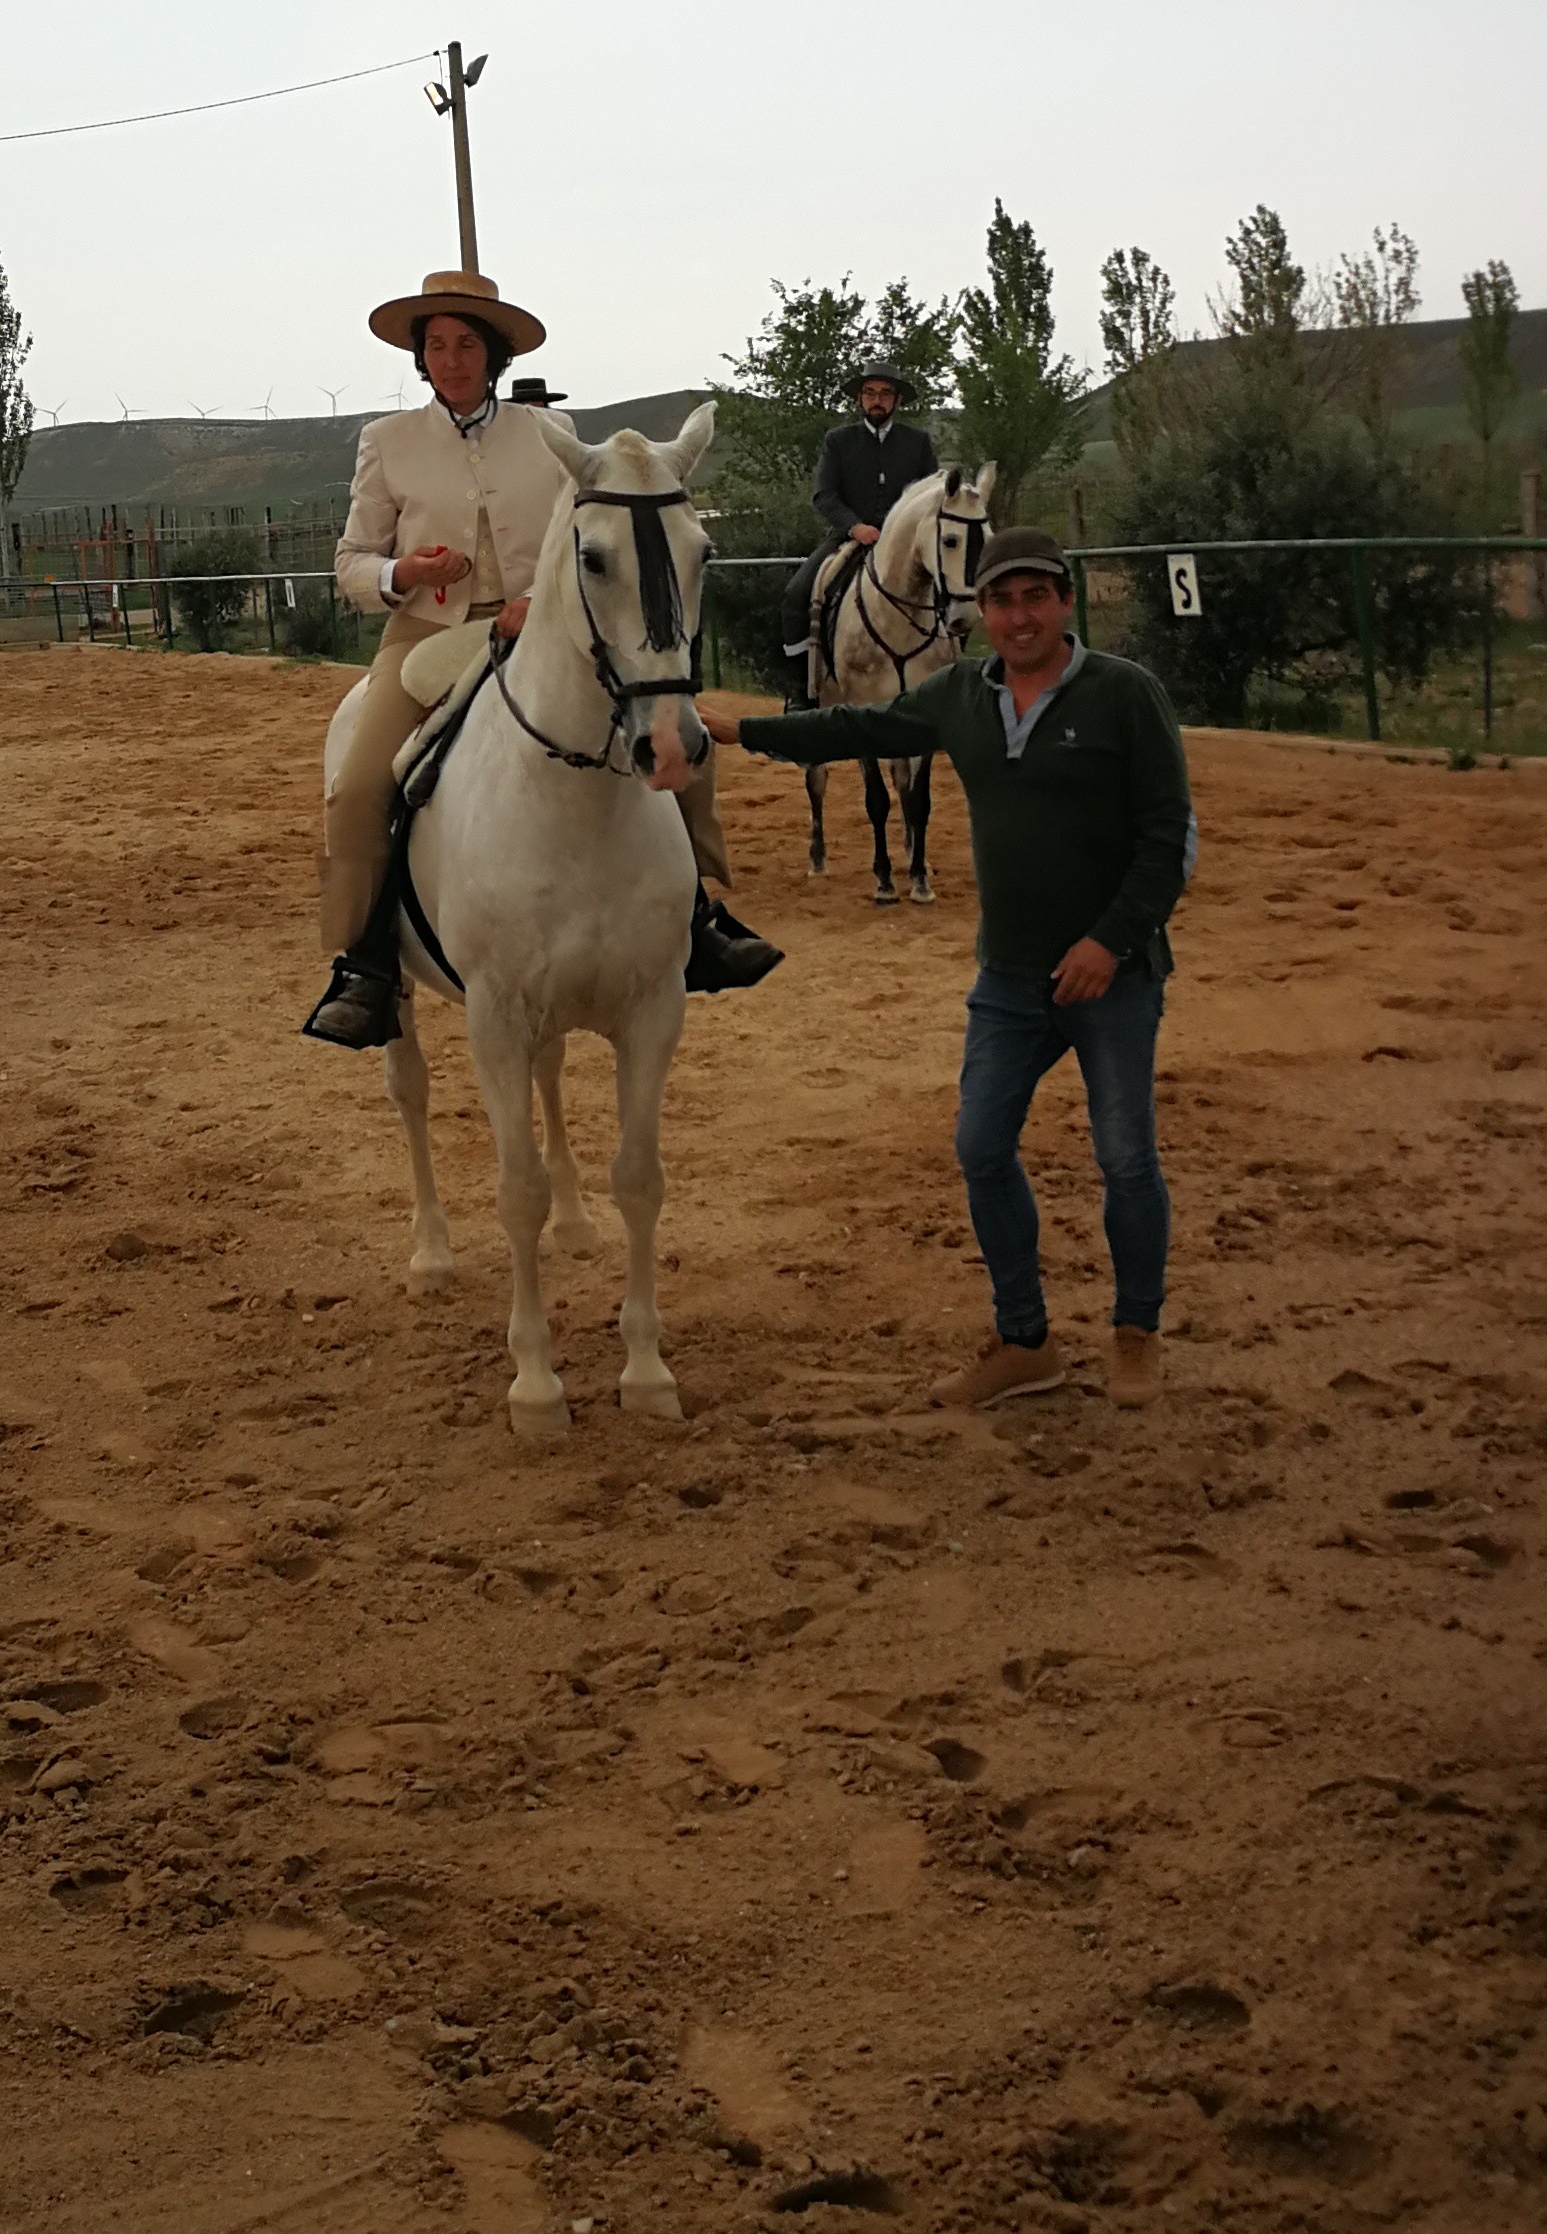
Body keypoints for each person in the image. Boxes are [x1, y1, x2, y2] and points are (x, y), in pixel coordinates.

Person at [705, 525, 1194, 1410]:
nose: (1018, 617)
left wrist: (1109, 942)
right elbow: (858, 725)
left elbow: (1169, 842)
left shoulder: (1127, 695)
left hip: (1113, 976)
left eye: (1034, 598)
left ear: (1064, 603)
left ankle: (1136, 1332)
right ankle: (1023, 1339)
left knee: (1125, 1158)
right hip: (1010, 977)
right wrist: (744, 731)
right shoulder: (962, 694)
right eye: (1002, 601)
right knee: (979, 1147)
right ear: (984, 611)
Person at [303, 266, 780, 1046]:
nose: (451, 359)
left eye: (466, 345)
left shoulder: (550, 438)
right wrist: (405, 574)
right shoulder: (386, 443)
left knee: (676, 738)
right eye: (436, 346)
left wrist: (546, 606)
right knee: (359, 786)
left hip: (541, 635)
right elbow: (351, 563)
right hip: (426, 639)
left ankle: (696, 915)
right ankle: (366, 964)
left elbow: (586, 540)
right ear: (421, 359)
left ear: (492, 357)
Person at [780, 362, 941, 697]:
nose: (876, 400)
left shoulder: (918, 442)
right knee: (796, 595)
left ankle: (949, 681)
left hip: (907, 547)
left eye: (884, 393)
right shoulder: (838, 441)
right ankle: (799, 694)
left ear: (897, 400)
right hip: (849, 539)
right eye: (869, 393)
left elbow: (932, 495)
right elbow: (824, 494)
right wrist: (854, 526)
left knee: (954, 594)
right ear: (859, 399)